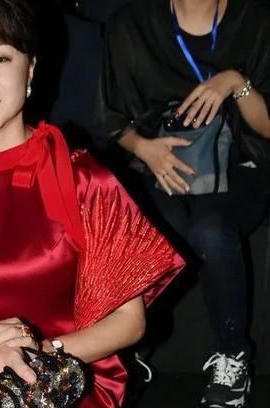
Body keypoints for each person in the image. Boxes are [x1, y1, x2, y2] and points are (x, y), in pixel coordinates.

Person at [0, 0, 185, 407]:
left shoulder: (85, 180)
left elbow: (129, 322)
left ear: (30, 71)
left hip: (68, 376)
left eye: (0, 58)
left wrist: (34, 351)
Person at [96, 0, 270, 407]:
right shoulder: (132, 23)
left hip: (239, 165)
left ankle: (233, 357)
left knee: (210, 229)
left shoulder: (256, 19)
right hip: (159, 163)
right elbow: (110, 117)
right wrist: (145, 149)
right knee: (158, 231)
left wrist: (234, 82)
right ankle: (133, 353)